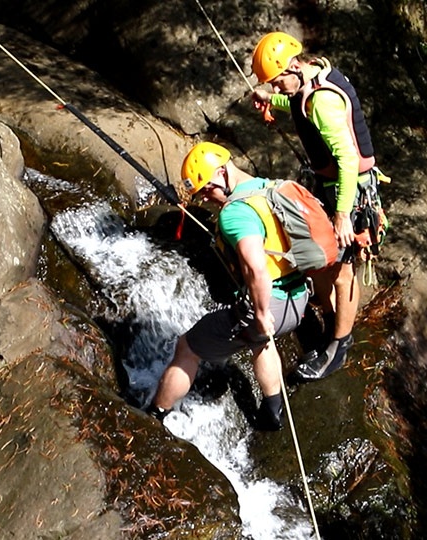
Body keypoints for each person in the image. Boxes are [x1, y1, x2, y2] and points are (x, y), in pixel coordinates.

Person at [147, 142, 311, 430]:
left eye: (208, 189)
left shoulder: (235, 213)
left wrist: (260, 314)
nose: (208, 199)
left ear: (222, 172)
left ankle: (155, 414)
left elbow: (257, 269)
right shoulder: (266, 187)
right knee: (262, 342)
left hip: (268, 301)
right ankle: (273, 410)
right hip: (297, 300)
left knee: (187, 347)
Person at [250, 31, 380, 380]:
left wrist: (342, 215)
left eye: (276, 82)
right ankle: (332, 324)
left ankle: (338, 346)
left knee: (340, 270)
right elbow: (296, 102)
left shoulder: (323, 102)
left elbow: (348, 159)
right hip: (332, 186)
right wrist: (269, 98)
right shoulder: (308, 81)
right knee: (322, 262)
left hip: (349, 192)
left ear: (294, 66)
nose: (276, 88)